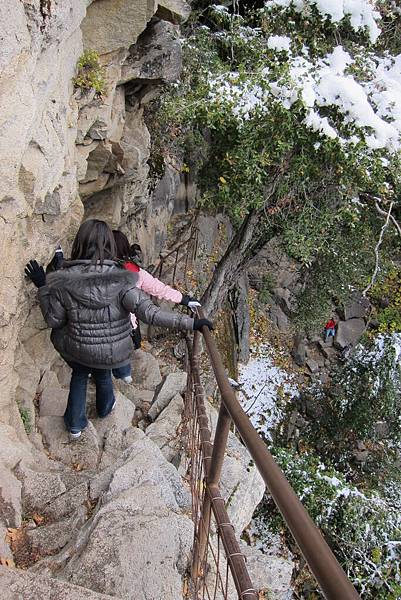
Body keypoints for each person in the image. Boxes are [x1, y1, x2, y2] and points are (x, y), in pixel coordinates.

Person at [25, 219, 212, 440]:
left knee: (80, 373)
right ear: (110, 246)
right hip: (112, 351)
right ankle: (105, 409)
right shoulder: (124, 280)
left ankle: (75, 425)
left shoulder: (64, 281)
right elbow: (150, 314)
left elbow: (54, 320)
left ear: (79, 243)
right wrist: (192, 323)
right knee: (103, 371)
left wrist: (43, 286)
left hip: (77, 348)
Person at [113, 230, 201, 350]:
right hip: (126, 330)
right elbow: (159, 290)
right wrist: (185, 300)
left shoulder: (90, 272)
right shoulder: (136, 272)